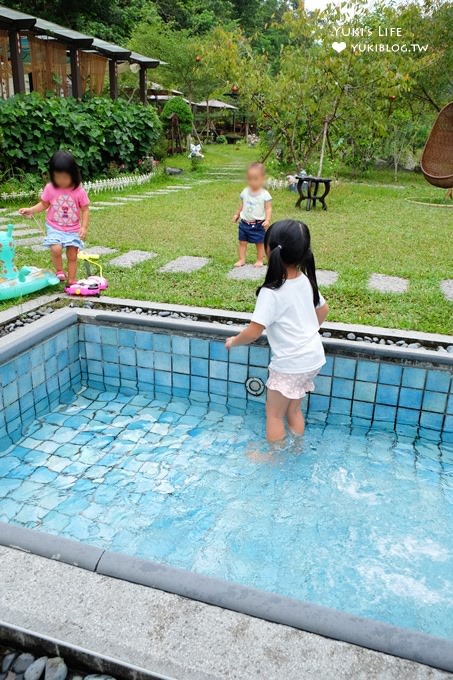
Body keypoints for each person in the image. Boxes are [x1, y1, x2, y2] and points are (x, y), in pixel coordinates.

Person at [225, 219, 329, 442]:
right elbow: (323, 309)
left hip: (290, 364)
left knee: (274, 415)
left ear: (270, 250)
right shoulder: (306, 281)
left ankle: (274, 459)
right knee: (293, 410)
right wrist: (308, 331)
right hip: (313, 358)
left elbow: (254, 332)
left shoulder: (271, 292)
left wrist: (234, 340)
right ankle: (296, 448)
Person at [19, 150, 89, 286]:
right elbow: (44, 204)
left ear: (73, 175)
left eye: (65, 177)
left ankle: (72, 279)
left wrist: (84, 227)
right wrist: (31, 210)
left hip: (73, 228)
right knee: (56, 248)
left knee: (72, 254)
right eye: (58, 177)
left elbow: (85, 209)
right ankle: (59, 271)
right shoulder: (50, 188)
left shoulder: (78, 191)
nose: (61, 181)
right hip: (55, 226)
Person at [232, 162, 272, 268]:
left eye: (255, 179)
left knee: (259, 243)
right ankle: (241, 259)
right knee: (242, 242)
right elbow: (242, 204)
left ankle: (259, 260)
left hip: (259, 224)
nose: (252, 182)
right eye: (249, 179)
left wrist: (267, 220)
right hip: (244, 223)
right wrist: (237, 214)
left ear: (262, 179)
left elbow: (268, 208)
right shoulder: (245, 191)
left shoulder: (265, 194)